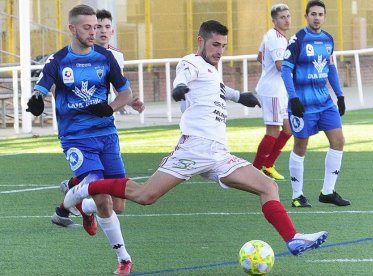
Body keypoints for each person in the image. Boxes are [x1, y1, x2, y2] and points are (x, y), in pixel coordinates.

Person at [64, 20, 328, 268]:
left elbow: (218, 88)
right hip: (193, 148)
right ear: (200, 41)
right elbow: (183, 78)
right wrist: (179, 89)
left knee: (268, 186)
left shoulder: (212, 69)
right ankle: (84, 191)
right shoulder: (190, 62)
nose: (220, 51)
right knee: (145, 196)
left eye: (224, 46)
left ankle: (292, 238)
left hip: (218, 153)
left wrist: (241, 96)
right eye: (215, 45)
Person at [26, 4, 144, 274]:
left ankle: (81, 203)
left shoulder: (105, 57)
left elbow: (125, 93)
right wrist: (36, 101)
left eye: (96, 27)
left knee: (117, 205)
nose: (93, 32)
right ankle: (124, 259)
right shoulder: (58, 61)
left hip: (107, 135)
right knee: (100, 191)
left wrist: (110, 108)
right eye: (87, 27)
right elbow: (41, 90)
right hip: (76, 137)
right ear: (72, 29)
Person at [51, 8, 130, 230]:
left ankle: (77, 199)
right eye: (95, 27)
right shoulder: (65, 59)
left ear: (112, 30)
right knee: (101, 191)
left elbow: (122, 89)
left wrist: (121, 105)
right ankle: (70, 200)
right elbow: (55, 87)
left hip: (106, 129)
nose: (99, 31)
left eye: (103, 27)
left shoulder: (113, 57)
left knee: (119, 205)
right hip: (79, 133)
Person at [281, 0, 350, 207]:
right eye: (313, 14)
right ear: (306, 16)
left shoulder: (328, 40)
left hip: (325, 103)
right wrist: (293, 98)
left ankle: (327, 192)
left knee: (338, 141)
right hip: (302, 104)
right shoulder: (298, 40)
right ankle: (297, 195)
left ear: (324, 17)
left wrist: (340, 96)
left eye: (320, 14)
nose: (317, 17)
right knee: (301, 146)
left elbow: (331, 70)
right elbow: (285, 70)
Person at [252, 3, 292, 181]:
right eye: (282, 17)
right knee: (273, 131)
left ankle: (268, 165)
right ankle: (254, 171)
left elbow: (259, 57)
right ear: (274, 20)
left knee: (289, 129)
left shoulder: (271, 35)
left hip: (277, 89)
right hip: (273, 91)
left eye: (288, 16)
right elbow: (279, 65)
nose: (286, 20)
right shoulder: (276, 39)